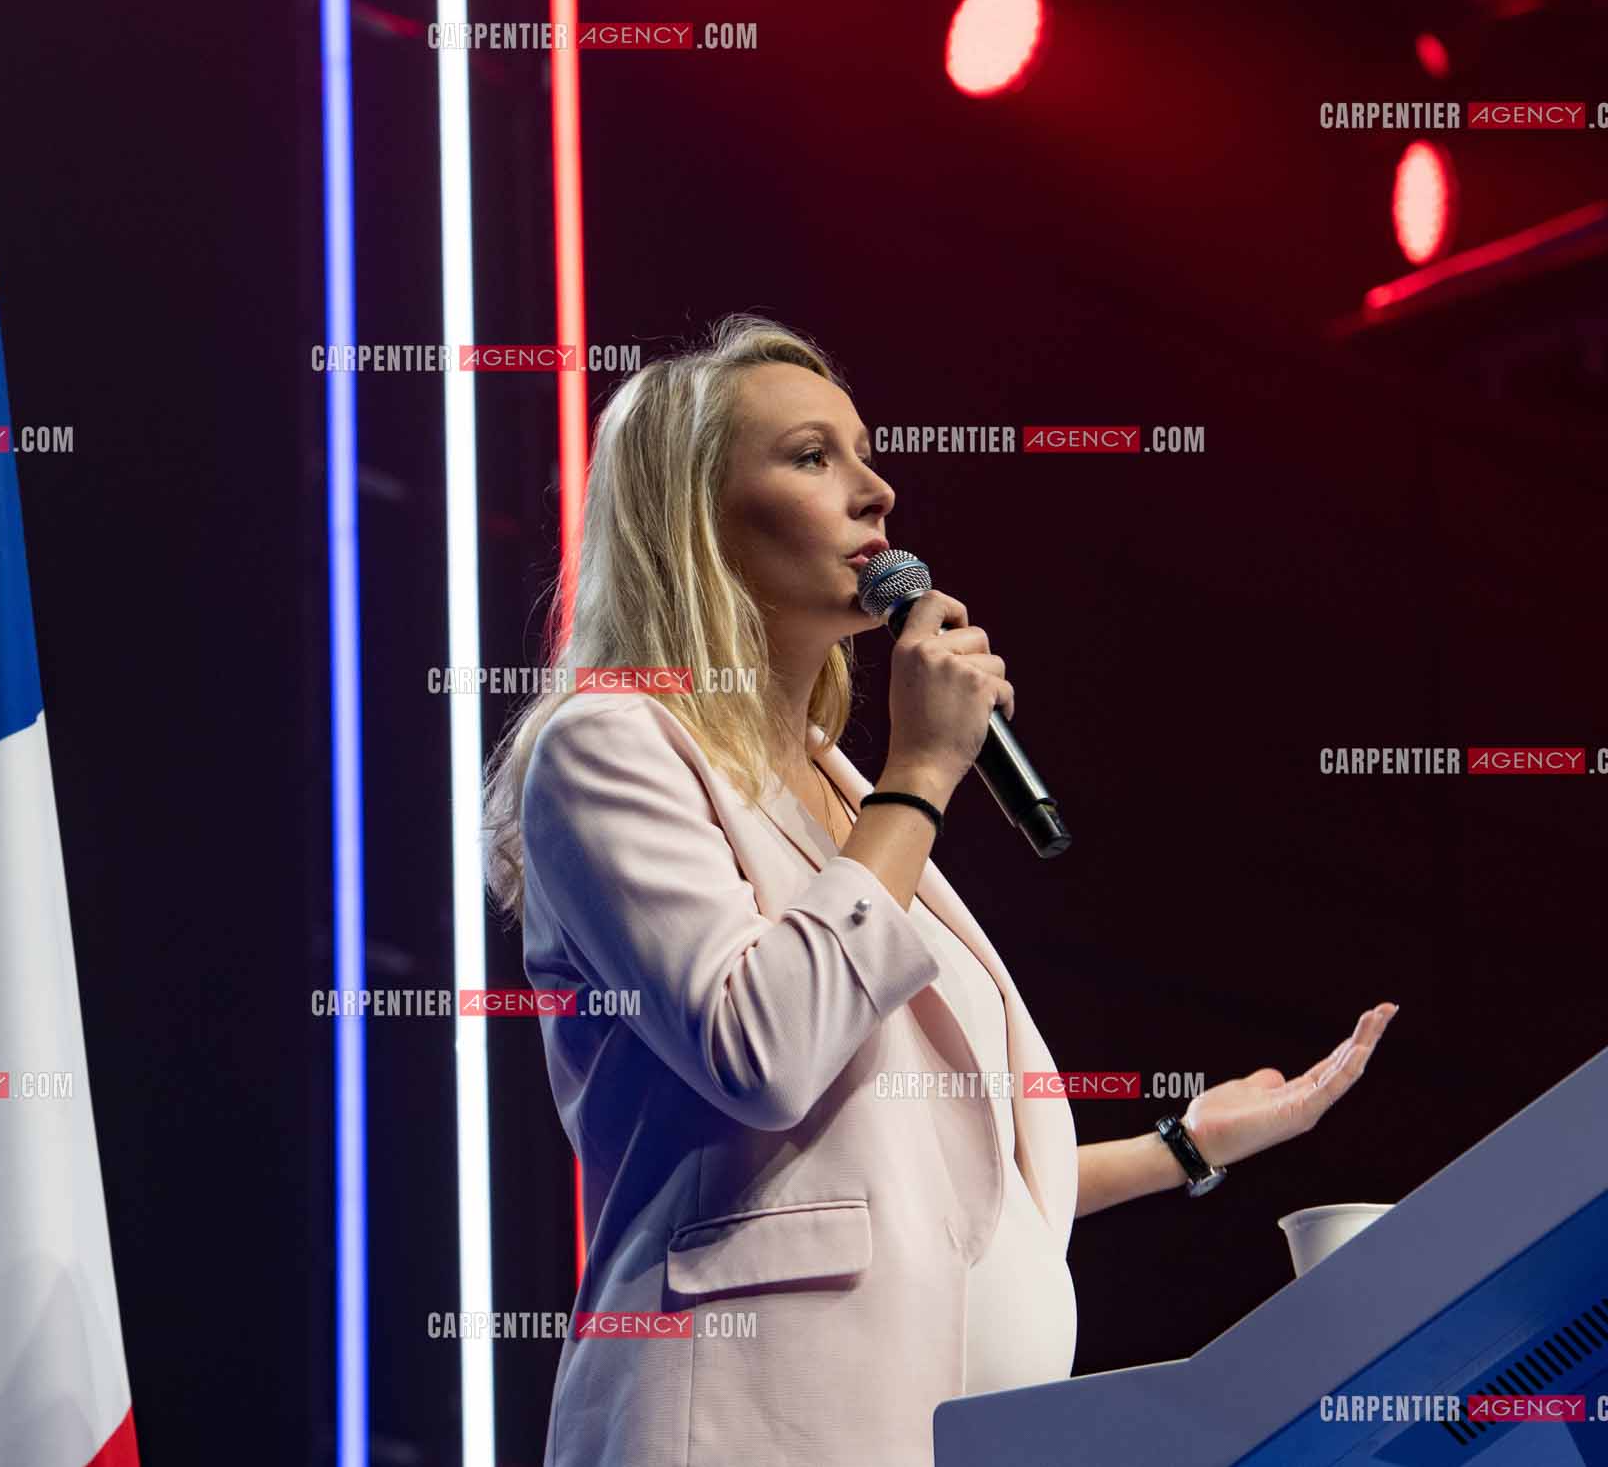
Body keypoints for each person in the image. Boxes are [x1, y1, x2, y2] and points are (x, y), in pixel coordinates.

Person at [480, 314, 1397, 1467]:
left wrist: (1186, 1143)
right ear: (696, 521)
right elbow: (763, 1046)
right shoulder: (612, 747)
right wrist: (921, 773)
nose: (877, 492)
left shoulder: (838, 785)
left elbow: (923, 1166)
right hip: (741, 1427)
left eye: (865, 454)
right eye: (812, 457)